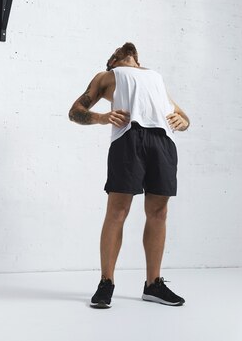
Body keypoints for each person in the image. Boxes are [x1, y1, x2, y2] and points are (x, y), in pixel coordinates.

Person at [68, 42, 190, 309]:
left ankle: (153, 285)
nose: (120, 51)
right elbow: (75, 112)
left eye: (123, 52)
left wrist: (184, 120)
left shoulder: (155, 77)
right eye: (113, 54)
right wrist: (101, 118)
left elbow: (179, 112)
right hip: (128, 138)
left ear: (137, 58)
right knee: (117, 211)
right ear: (112, 61)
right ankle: (106, 283)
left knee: (159, 213)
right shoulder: (108, 76)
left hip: (163, 140)